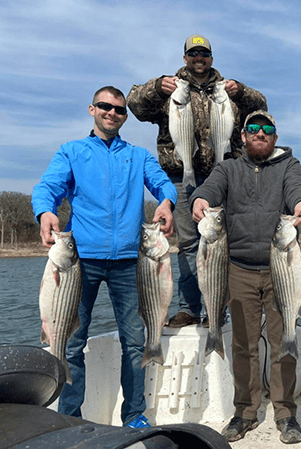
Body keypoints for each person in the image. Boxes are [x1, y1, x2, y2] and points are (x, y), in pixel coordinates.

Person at [31, 86, 177, 427]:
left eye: (119, 109)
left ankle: (134, 415)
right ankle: (68, 417)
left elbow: (162, 183)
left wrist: (167, 202)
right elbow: (48, 187)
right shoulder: (71, 151)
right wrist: (44, 212)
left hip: (131, 261)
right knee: (69, 341)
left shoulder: (137, 155)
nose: (112, 113)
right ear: (92, 109)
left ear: (125, 116)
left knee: (134, 340)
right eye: (105, 106)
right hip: (80, 262)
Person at [127, 34, 267, 328]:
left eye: (204, 53)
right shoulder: (169, 90)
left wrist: (240, 91)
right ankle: (188, 308)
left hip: (223, 175)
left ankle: (216, 308)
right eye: (194, 53)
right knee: (188, 244)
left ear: (212, 58)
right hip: (181, 175)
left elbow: (261, 105)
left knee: (221, 243)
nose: (199, 58)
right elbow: (134, 105)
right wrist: (155, 86)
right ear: (185, 58)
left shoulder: (227, 91)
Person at [190, 110, 301, 444]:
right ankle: (245, 411)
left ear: (274, 136)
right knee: (243, 346)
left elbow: (297, 189)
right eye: (253, 128)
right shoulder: (228, 168)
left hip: (280, 269)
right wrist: (200, 199)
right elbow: (210, 189)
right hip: (238, 269)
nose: (260, 132)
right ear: (242, 136)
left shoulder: (289, 164)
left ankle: (285, 412)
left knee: (284, 343)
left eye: (267, 128)